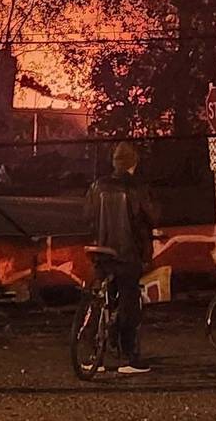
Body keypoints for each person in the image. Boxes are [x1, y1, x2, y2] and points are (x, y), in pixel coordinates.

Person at [83, 141, 160, 374]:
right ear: (133, 163)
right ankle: (129, 358)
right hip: (128, 253)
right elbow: (152, 216)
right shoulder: (137, 188)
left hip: (102, 251)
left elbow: (87, 216)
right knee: (129, 303)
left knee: (100, 299)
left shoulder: (98, 186)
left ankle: (94, 355)